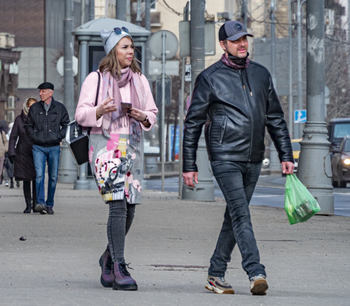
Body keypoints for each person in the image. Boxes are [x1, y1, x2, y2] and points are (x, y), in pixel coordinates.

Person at [183, 21, 294, 296]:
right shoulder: (210, 77)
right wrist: (189, 165)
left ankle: (215, 274)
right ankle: (256, 271)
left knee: (233, 217)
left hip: (254, 157)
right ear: (223, 44)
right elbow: (193, 122)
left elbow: (275, 118)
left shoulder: (261, 74)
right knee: (241, 214)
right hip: (224, 156)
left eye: (245, 38)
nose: (242, 44)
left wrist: (286, 155)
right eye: (235, 40)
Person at [75, 27, 157, 291]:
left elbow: (152, 113)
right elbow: (81, 114)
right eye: (124, 47)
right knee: (118, 205)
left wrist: (142, 116)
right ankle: (120, 266)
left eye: (132, 47)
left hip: (132, 147)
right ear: (113, 51)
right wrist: (100, 109)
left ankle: (107, 257)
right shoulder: (95, 79)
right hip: (106, 146)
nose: (130, 51)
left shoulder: (139, 80)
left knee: (130, 208)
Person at [25, 82, 70, 215]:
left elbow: (66, 125)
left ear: (51, 93)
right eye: (39, 91)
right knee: (39, 175)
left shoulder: (60, 108)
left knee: (53, 177)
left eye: (43, 91)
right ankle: (41, 203)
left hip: (54, 147)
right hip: (38, 146)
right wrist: (34, 136)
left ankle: (49, 203)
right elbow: (28, 125)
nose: (40, 94)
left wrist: (58, 136)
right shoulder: (34, 108)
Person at [9, 97, 38, 213]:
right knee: (26, 179)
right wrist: (12, 152)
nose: (33, 109)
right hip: (23, 153)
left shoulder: (40, 119)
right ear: (26, 106)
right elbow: (13, 137)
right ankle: (28, 204)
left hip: (37, 151)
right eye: (31, 106)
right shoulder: (19, 120)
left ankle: (36, 203)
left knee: (37, 179)